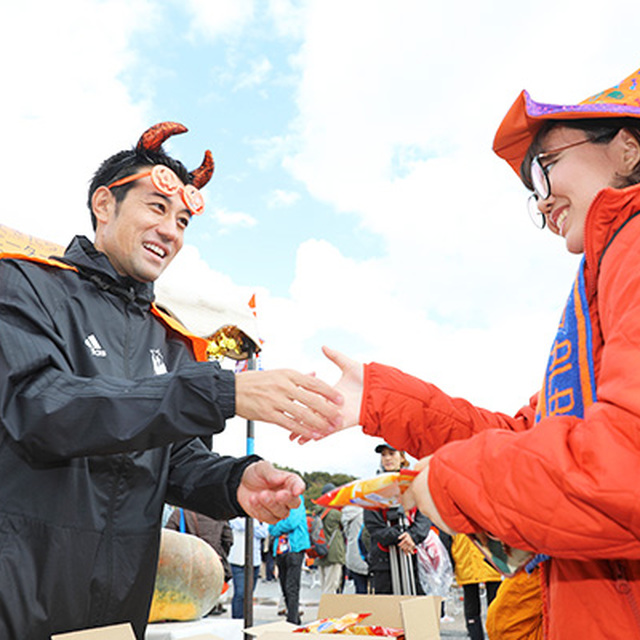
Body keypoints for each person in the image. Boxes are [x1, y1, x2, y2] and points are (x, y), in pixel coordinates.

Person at [320, 66, 640, 639]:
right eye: (531, 194)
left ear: (627, 147)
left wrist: (448, 486)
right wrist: (382, 399)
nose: (541, 205)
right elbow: (527, 434)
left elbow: (624, 465)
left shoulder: (632, 246)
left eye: (545, 171)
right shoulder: (602, 276)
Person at [0, 121, 343, 640]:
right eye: (157, 209)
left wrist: (235, 481)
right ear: (103, 205)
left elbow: (174, 461)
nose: (171, 232)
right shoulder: (27, 284)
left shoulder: (172, 340)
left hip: (121, 606)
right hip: (23, 591)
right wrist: (221, 391)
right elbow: (42, 408)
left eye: (183, 221)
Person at [363, 444, 430, 595]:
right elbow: (373, 525)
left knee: (414, 606)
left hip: (412, 557)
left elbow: (424, 515)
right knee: (386, 610)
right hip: (383, 561)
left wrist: (413, 536)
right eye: (384, 455)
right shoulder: (373, 488)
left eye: (392, 454)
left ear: (402, 458)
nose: (387, 458)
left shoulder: (414, 483)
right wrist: (401, 537)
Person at [165, 508, 234, 614]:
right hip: (211, 566)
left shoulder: (181, 513)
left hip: (186, 569)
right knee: (205, 604)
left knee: (186, 605)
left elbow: (168, 540)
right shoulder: (219, 514)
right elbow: (228, 539)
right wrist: (216, 554)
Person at [451, 533, 501, 640]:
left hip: (476, 559)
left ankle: (491, 636)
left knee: (493, 608)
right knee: (490, 607)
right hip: (471, 559)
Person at [269, 496, 310, 625]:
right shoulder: (276, 503)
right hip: (280, 550)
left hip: (295, 548)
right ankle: (294, 618)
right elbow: (270, 528)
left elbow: (292, 522)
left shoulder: (297, 501)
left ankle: (292, 620)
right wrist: (278, 527)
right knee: (284, 587)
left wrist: (278, 526)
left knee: (292, 587)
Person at [228, 517, 269, 619]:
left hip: (254, 560)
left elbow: (264, 532)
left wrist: (255, 526)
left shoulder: (258, 517)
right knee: (240, 593)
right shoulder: (236, 516)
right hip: (238, 560)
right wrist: (257, 525)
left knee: (249, 593)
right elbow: (240, 524)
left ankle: (246, 619)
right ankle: (237, 620)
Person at [315, 483, 346, 594]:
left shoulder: (316, 512)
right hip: (334, 551)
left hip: (319, 550)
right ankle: (328, 610)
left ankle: (324, 608)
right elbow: (345, 527)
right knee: (332, 586)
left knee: (324, 586)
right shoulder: (336, 513)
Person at [341, 504, 369, 594]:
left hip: (351, 556)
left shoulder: (346, 515)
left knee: (359, 589)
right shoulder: (364, 514)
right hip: (363, 555)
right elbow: (365, 538)